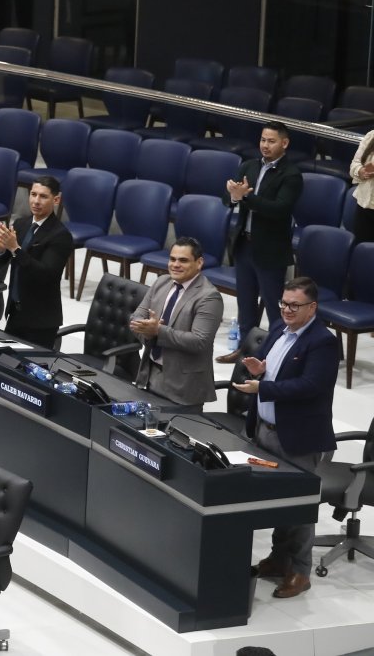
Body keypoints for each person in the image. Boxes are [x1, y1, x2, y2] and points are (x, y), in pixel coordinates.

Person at [233, 277, 338, 599]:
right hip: (265, 429)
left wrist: (263, 387)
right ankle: (279, 559)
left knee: (298, 507)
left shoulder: (323, 341)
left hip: (298, 437)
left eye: (295, 305)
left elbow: (310, 386)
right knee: (278, 501)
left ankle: (300, 571)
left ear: (313, 307)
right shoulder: (279, 327)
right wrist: (258, 369)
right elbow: (268, 368)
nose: (287, 310)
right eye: (283, 303)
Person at [217, 121, 303, 364]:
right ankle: (246, 351)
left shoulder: (291, 175)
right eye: (263, 140)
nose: (265, 145)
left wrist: (247, 198)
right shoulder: (249, 166)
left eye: (271, 141)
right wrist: (234, 197)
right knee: (245, 303)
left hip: (270, 250)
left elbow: (280, 209)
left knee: (275, 307)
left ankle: (276, 356)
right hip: (244, 244)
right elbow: (228, 199)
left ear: (284, 143)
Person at [129, 237, 224, 411]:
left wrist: (158, 331)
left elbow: (199, 341)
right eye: (172, 259)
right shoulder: (161, 282)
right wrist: (149, 333)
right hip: (149, 376)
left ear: (199, 262)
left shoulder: (209, 297)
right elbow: (136, 319)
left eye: (183, 260)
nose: (175, 265)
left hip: (184, 388)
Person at [0, 177, 74, 348]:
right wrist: (0, 249)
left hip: (40, 321)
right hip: (15, 313)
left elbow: (46, 275)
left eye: (43, 196)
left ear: (56, 200)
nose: (36, 201)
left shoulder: (60, 235)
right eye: (33, 194)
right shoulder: (21, 224)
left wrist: (15, 248)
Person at [347, 127, 374, 244]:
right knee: (361, 250)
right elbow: (355, 164)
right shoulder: (371, 135)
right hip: (364, 205)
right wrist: (360, 171)